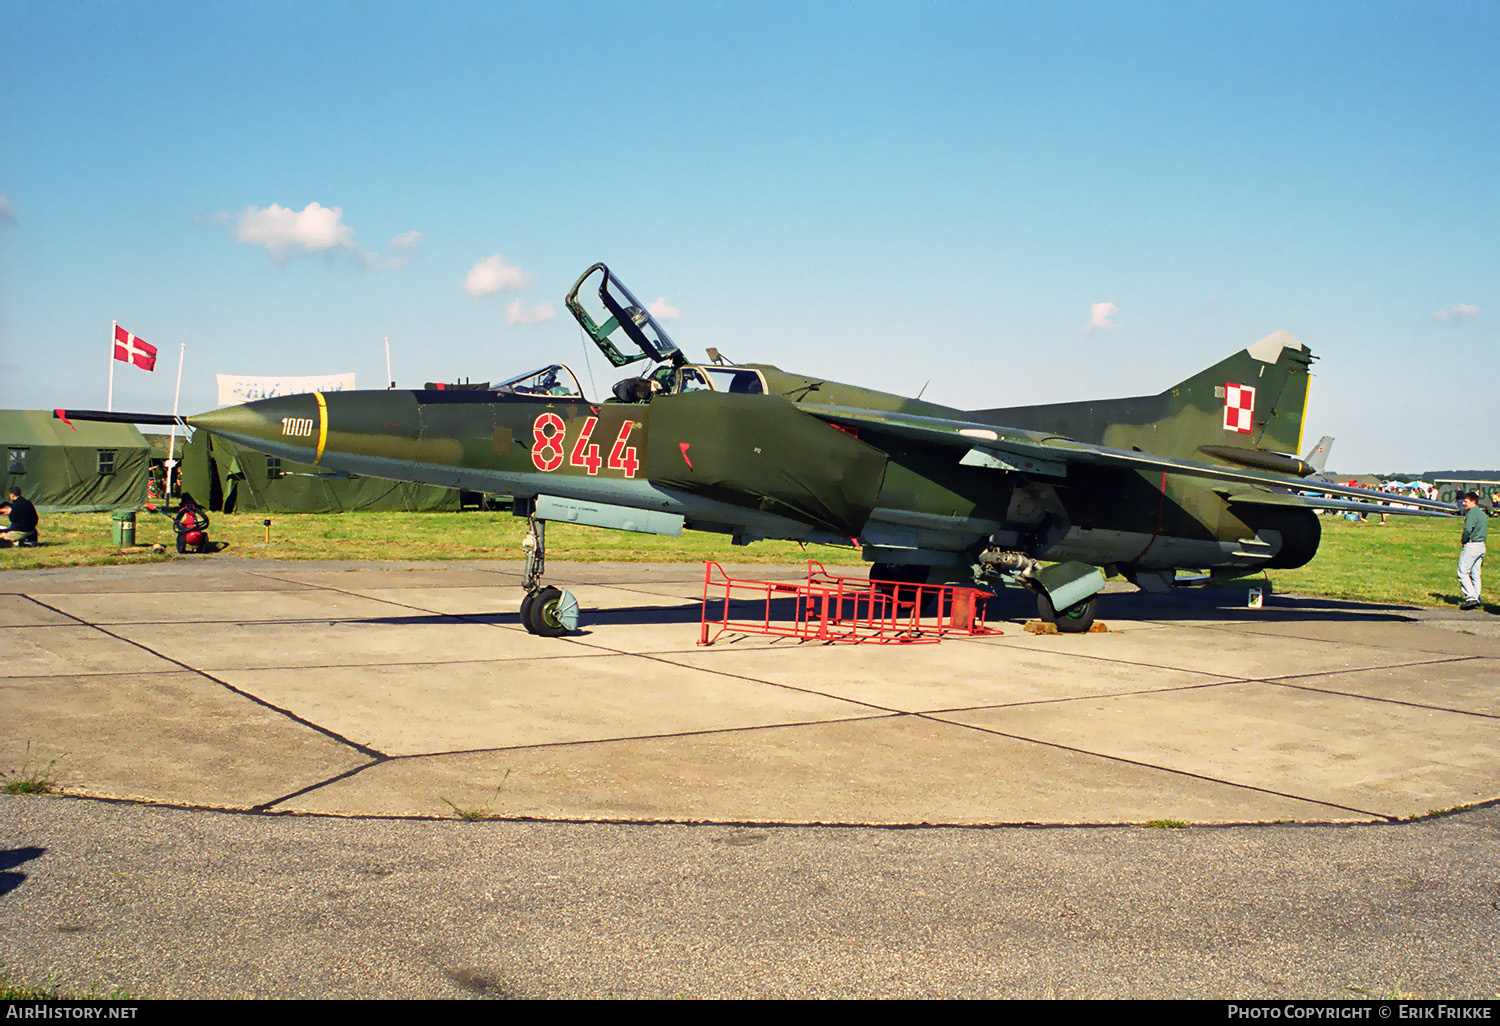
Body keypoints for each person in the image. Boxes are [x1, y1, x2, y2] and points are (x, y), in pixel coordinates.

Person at [1457, 491, 1486, 611]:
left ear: (1473, 501)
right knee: (1475, 573)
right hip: (1481, 545)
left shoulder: (1472, 513)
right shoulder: (1482, 514)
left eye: (1466, 501)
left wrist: (1464, 540)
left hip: (1472, 544)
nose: (1464, 504)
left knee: (1462, 572)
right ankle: (1477, 597)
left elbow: (1468, 529)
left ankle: (1470, 597)